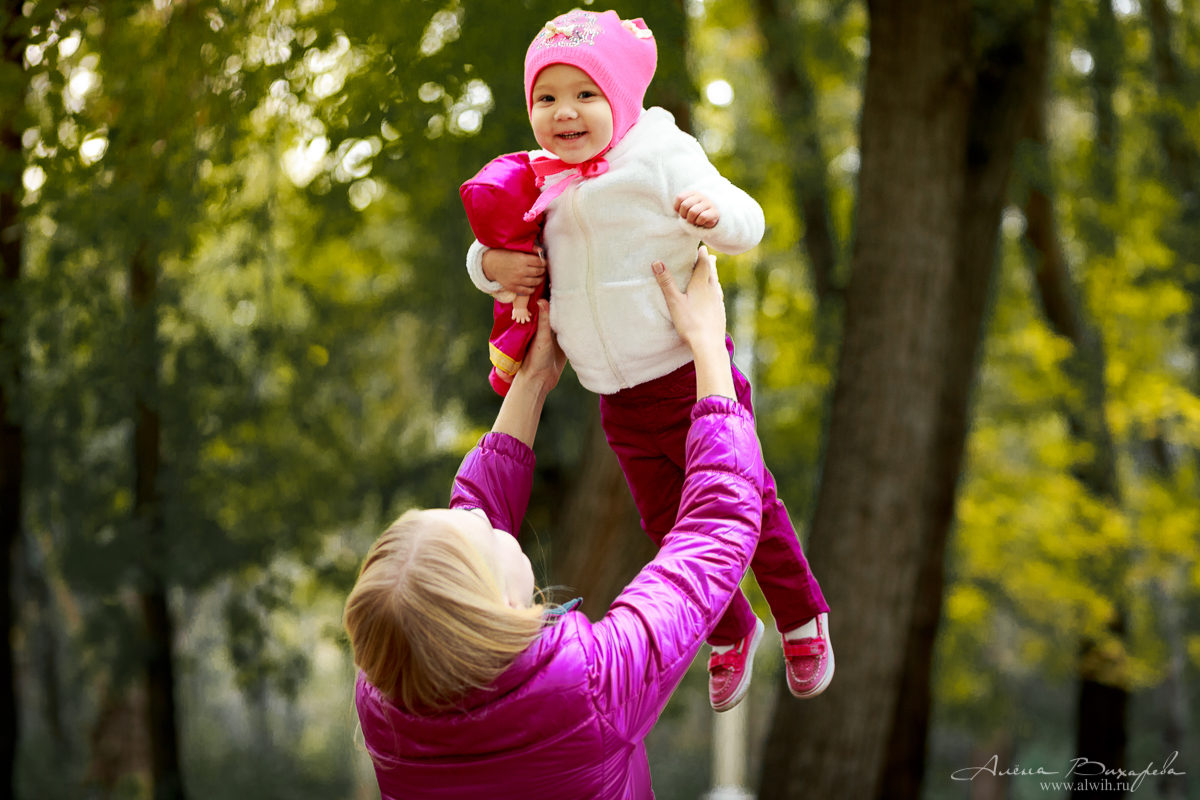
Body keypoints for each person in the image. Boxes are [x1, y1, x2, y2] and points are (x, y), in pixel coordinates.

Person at [462, 7, 832, 710]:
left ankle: (802, 618)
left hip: (692, 376)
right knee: (667, 526)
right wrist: (493, 264)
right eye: (546, 98)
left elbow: (747, 221)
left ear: (621, 100)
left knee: (749, 502)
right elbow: (486, 243)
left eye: (585, 95)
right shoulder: (536, 178)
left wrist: (712, 215)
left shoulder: (660, 155)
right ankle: (730, 628)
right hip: (616, 395)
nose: (564, 114)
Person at [346, 249, 766, 798]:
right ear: (500, 611)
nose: (485, 519)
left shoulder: (391, 696)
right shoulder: (591, 689)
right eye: (490, 537)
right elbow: (715, 529)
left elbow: (454, 562)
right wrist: (708, 346)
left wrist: (533, 380)